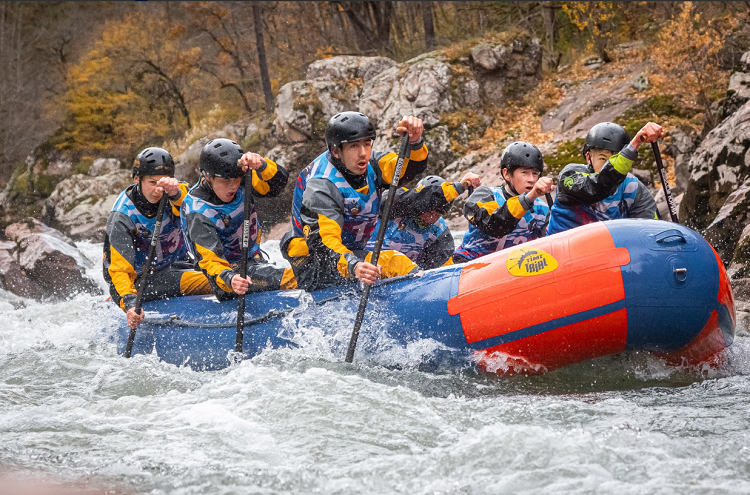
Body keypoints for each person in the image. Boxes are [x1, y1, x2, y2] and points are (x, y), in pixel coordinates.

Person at [280, 111, 429, 290]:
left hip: (349, 252)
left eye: (367, 144)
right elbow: (324, 246)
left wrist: (414, 142)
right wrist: (355, 266)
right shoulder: (320, 187)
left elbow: (407, 169)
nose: (363, 153)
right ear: (336, 151)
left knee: (391, 261)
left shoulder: (372, 164)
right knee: (394, 262)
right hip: (315, 261)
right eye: (354, 146)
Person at [103, 147, 212, 329]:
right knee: (213, 281)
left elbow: (195, 205)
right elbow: (119, 272)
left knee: (220, 270)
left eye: (162, 182)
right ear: (137, 179)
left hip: (179, 264)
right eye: (152, 182)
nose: (157, 189)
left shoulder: (176, 192)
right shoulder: (122, 216)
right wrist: (129, 302)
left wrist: (175, 193)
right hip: (141, 280)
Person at [181, 138, 297, 301]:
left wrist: (262, 165)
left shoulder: (243, 179)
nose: (234, 186)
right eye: (226, 181)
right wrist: (230, 279)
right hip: (224, 279)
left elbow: (277, 185)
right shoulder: (196, 209)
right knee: (292, 277)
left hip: (252, 263)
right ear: (208, 176)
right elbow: (209, 261)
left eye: (237, 179)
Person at [546, 121, 662, 235]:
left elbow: (650, 231)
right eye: (603, 159)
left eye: (615, 159)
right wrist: (635, 144)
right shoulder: (570, 175)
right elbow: (599, 185)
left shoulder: (633, 188)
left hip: (607, 250)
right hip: (562, 250)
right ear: (588, 157)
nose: (608, 165)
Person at [453, 141, 554, 263]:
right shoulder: (484, 194)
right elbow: (495, 226)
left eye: (535, 174)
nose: (532, 180)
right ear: (506, 174)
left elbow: (552, 243)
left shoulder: (542, 210)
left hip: (511, 270)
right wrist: (529, 197)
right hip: (470, 266)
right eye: (524, 173)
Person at [365, 173, 481, 269]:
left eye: (437, 213)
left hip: (404, 280)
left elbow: (441, 268)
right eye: (429, 211)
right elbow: (405, 200)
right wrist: (458, 187)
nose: (431, 217)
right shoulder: (395, 205)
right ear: (420, 202)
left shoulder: (438, 230)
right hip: (366, 269)